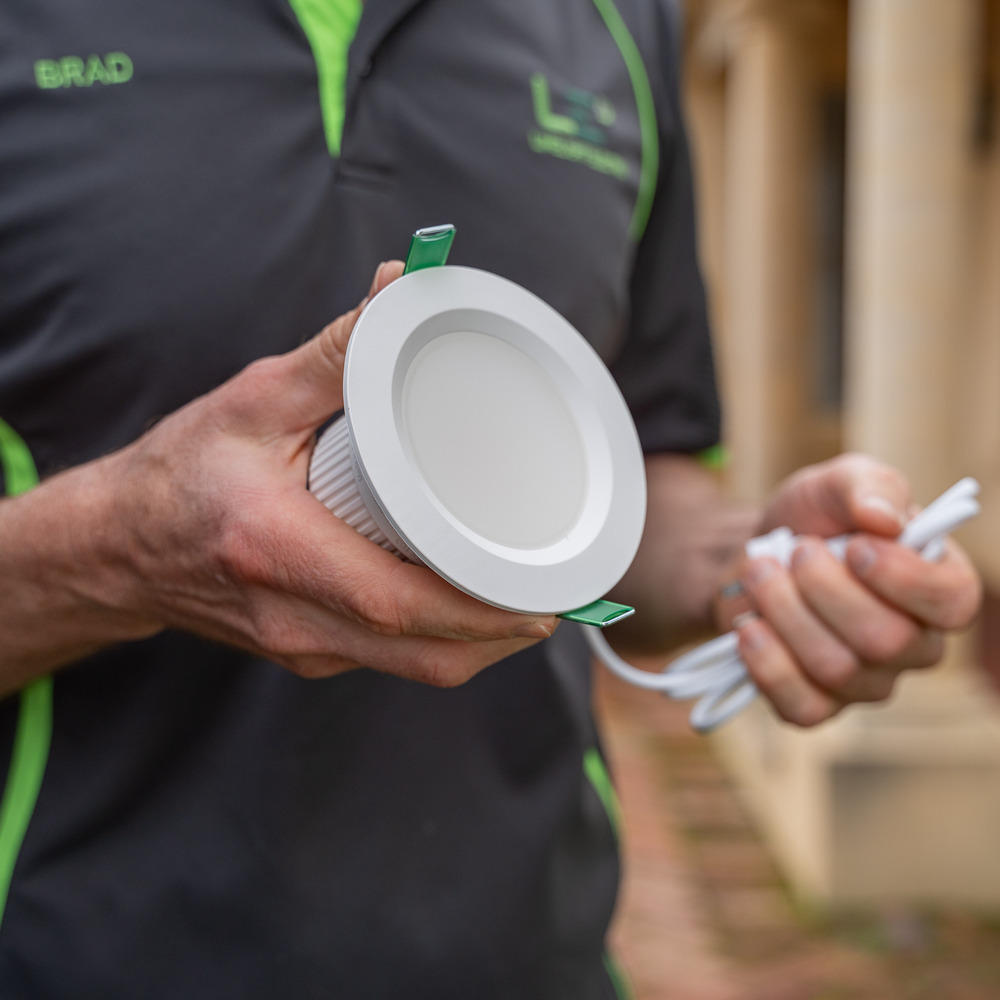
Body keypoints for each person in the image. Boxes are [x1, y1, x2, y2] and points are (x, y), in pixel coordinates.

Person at [0, 0, 980, 996]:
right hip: (78, 950)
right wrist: (119, 548)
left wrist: (750, 569)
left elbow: (644, 475)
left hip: (531, 954)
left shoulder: (620, 25)